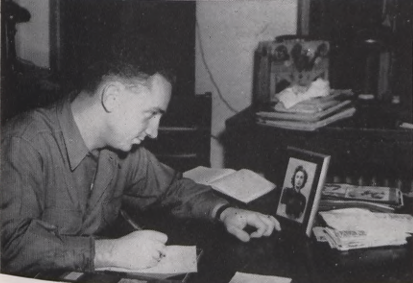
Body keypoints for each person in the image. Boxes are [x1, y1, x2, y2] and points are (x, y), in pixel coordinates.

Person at [1, 54, 281, 277]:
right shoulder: (23, 141)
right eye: (151, 114)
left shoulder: (121, 150)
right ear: (112, 97)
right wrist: (108, 252)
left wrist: (225, 212)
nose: (154, 132)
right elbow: (11, 245)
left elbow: (170, 189)